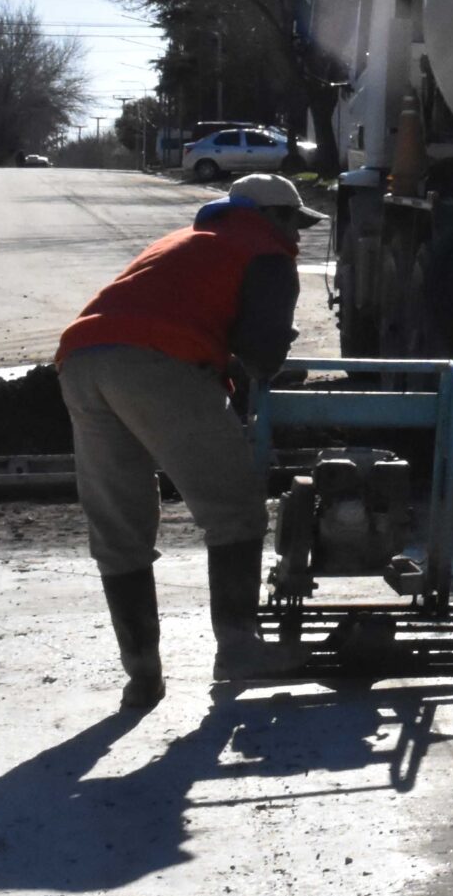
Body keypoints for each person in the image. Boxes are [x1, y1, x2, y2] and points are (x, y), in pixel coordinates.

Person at [58, 172, 319, 708]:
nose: (298, 235)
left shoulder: (183, 243)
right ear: (276, 216)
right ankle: (240, 648)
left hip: (81, 359)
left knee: (120, 526)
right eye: (295, 221)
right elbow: (263, 354)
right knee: (235, 509)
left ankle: (142, 674)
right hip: (155, 363)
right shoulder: (265, 251)